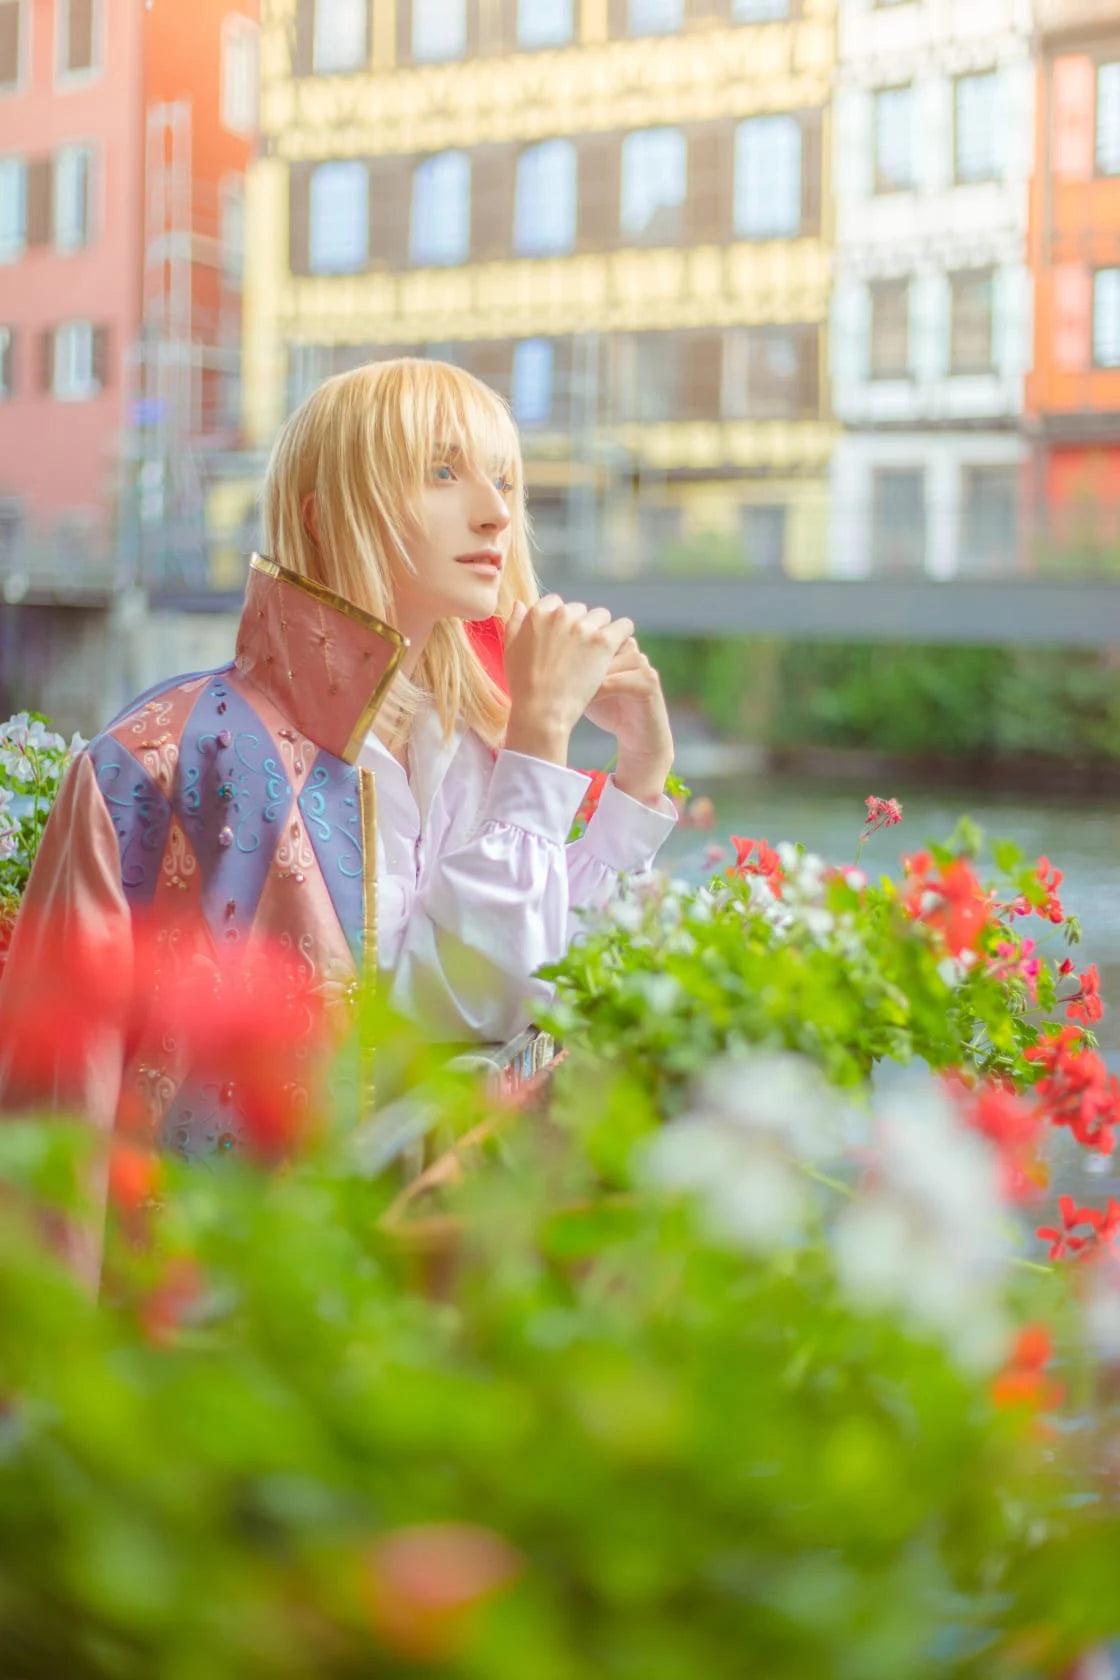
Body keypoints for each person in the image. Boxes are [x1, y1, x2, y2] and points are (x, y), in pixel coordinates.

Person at [0, 358, 677, 1170]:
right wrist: (539, 732)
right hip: (218, 1266)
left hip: (407, 1272)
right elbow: (55, 1106)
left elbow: (530, 979)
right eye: (442, 472)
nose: (496, 513)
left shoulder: (461, 745)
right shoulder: (167, 756)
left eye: (503, 480)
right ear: (325, 515)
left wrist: (639, 774)